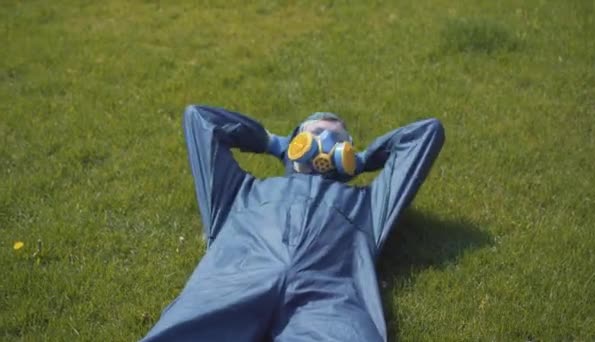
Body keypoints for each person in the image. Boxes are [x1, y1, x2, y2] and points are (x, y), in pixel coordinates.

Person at [141, 105, 445, 341]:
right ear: (294, 144)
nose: (323, 144)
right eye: (311, 136)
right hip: (236, 276)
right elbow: (201, 119)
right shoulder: (239, 191)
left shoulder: (367, 205)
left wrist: (362, 160)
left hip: (329, 295)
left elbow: (426, 134)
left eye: (338, 140)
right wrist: (270, 142)